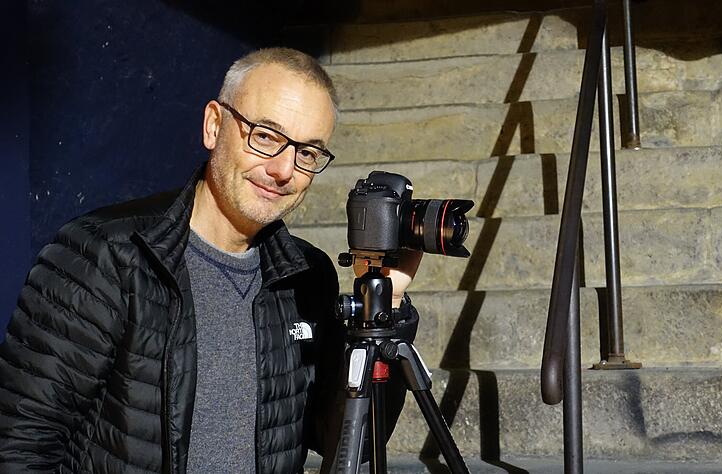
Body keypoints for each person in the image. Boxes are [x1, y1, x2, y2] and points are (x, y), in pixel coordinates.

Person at [0, 47, 421, 474]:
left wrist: (387, 305)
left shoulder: (307, 276)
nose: (283, 170)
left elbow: (345, 441)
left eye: (308, 153)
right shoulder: (106, 255)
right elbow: (21, 445)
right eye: (265, 137)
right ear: (214, 125)